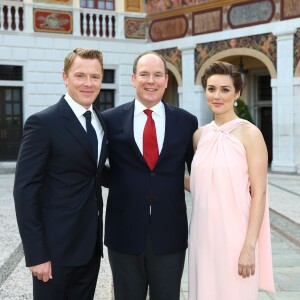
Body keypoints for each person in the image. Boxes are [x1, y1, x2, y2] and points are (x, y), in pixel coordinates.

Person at [102, 51, 198, 299]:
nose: (151, 81)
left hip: (170, 235)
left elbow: (199, 171)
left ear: (166, 80)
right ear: (134, 79)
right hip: (123, 233)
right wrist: (124, 183)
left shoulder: (187, 122)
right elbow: (95, 168)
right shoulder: (109, 121)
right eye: (144, 74)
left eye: (157, 75)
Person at [13, 48, 107, 300]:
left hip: (89, 248)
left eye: (95, 77)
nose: (88, 83)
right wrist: (36, 254)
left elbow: (93, 171)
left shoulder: (100, 120)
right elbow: (25, 191)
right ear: (65, 77)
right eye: (80, 76)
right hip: (54, 252)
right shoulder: (43, 123)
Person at [186, 61, 275, 299]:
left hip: (236, 237)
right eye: (211, 88)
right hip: (202, 236)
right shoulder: (199, 136)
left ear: (237, 93)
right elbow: (201, 182)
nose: (217, 96)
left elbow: (260, 193)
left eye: (225, 90)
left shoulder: (250, 134)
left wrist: (249, 247)